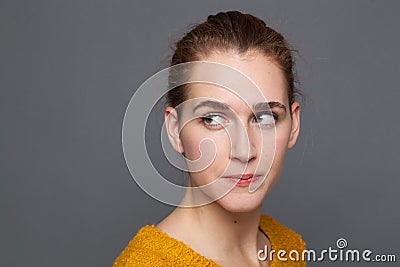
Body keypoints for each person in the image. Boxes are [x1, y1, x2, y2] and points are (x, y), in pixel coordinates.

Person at [114, 10, 306, 266]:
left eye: (264, 118)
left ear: (293, 125)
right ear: (175, 130)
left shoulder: (287, 248)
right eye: (213, 120)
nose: (244, 151)